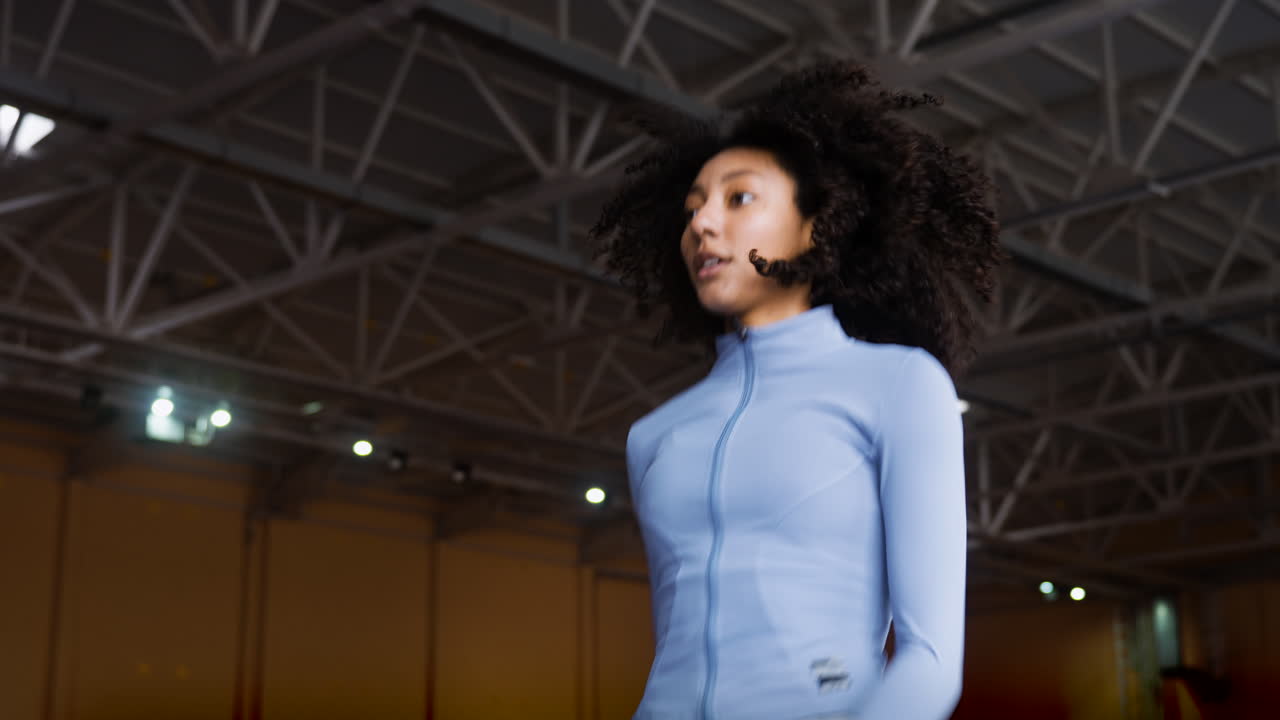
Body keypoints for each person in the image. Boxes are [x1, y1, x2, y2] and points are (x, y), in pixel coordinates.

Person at [588, 61, 1005, 720]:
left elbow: (929, 662)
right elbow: (675, 644)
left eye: (739, 198)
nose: (702, 225)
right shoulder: (657, 437)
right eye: (693, 208)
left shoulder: (897, 386)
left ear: (817, 225)